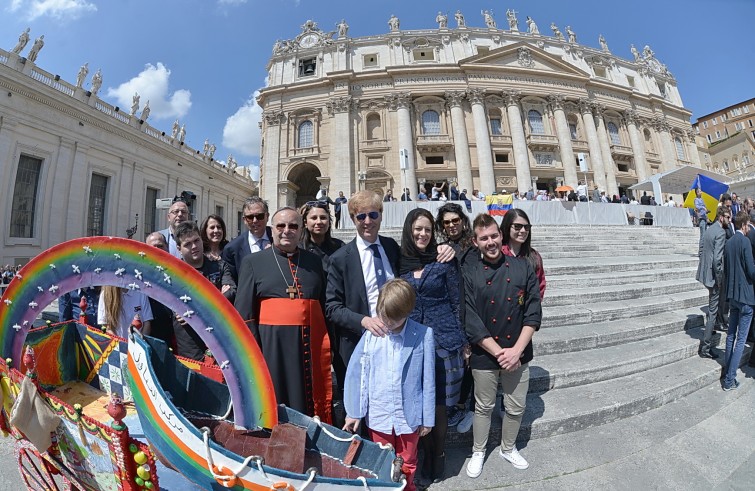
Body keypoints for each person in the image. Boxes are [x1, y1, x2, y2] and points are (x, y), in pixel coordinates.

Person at [326, 191, 455, 397]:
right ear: (352, 219)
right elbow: (332, 308)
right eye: (361, 216)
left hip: (398, 340)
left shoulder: (392, 248)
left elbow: (420, 257)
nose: (368, 221)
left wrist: (446, 247)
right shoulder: (340, 259)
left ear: (381, 215)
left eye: (373, 215)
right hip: (362, 340)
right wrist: (364, 321)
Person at [235, 207, 332, 422]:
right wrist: (255, 355)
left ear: (301, 231)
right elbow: (245, 315)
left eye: (293, 226)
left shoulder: (314, 262)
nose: (287, 230)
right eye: (281, 226)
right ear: (272, 229)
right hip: (271, 351)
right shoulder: (253, 262)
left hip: (308, 350)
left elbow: (324, 307)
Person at [463, 213, 541, 477]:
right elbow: (470, 319)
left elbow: (533, 312)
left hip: (518, 353)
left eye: (494, 235)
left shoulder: (523, 267)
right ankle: (478, 451)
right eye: (484, 238)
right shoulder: (470, 273)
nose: (491, 242)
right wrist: (498, 352)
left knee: (516, 406)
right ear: (475, 242)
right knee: (483, 407)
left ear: (501, 235)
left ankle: (508, 448)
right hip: (485, 354)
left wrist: (516, 351)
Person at [343, 279, 435, 491]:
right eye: (384, 317)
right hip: (379, 412)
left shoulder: (423, 335)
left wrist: (427, 418)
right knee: (383, 458)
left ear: (407, 311)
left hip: (409, 416)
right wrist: (354, 412)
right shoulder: (371, 335)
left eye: (393, 319)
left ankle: (407, 486)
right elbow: (359, 375)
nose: (387, 323)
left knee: (409, 459)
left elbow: (428, 381)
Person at [399, 210, 467, 483]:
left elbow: (456, 301)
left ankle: (438, 455)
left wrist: (463, 341)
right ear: (409, 230)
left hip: (444, 340)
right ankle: (424, 453)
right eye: (417, 229)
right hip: (412, 342)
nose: (422, 234)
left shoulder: (443, 260)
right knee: (419, 401)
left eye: (427, 229)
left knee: (438, 404)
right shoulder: (399, 262)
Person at [173, 222, 236, 361]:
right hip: (191, 346)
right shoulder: (173, 274)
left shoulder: (219, 265)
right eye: (187, 244)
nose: (194, 246)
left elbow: (231, 291)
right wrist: (218, 296)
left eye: (196, 241)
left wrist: (193, 309)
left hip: (219, 340)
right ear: (179, 248)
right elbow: (174, 306)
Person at [722, 211, 755, 391]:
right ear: (745, 224)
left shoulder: (729, 243)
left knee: (731, 337)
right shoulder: (745, 242)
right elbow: (751, 272)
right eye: (748, 225)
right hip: (745, 297)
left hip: (732, 295)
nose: (749, 228)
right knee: (741, 340)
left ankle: (728, 374)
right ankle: (729, 379)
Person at [696, 206, 730, 359]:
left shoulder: (710, 228)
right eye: (728, 217)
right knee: (713, 310)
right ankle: (706, 347)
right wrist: (720, 279)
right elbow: (717, 259)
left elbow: (703, 248)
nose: (729, 220)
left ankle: (712, 328)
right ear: (721, 217)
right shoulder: (721, 232)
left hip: (705, 273)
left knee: (712, 307)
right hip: (713, 277)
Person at [222, 197, 273, 283]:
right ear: (244, 220)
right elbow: (232, 282)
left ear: (267, 216)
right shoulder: (232, 249)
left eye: (259, 216)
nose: (255, 221)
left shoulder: (280, 240)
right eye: (250, 217)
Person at [502, 209, 547, 299]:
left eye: (526, 227)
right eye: (517, 226)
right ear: (507, 227)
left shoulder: (534, 256)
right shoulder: (498, 253)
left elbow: (539, 287)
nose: (523, 231)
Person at [144, 232, 176, 347]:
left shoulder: (177, 273)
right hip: (147, 337)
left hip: (173, 339)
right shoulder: (138, 275)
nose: (157, 250)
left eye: (160, 246)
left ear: (167, 248)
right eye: (153, 247)